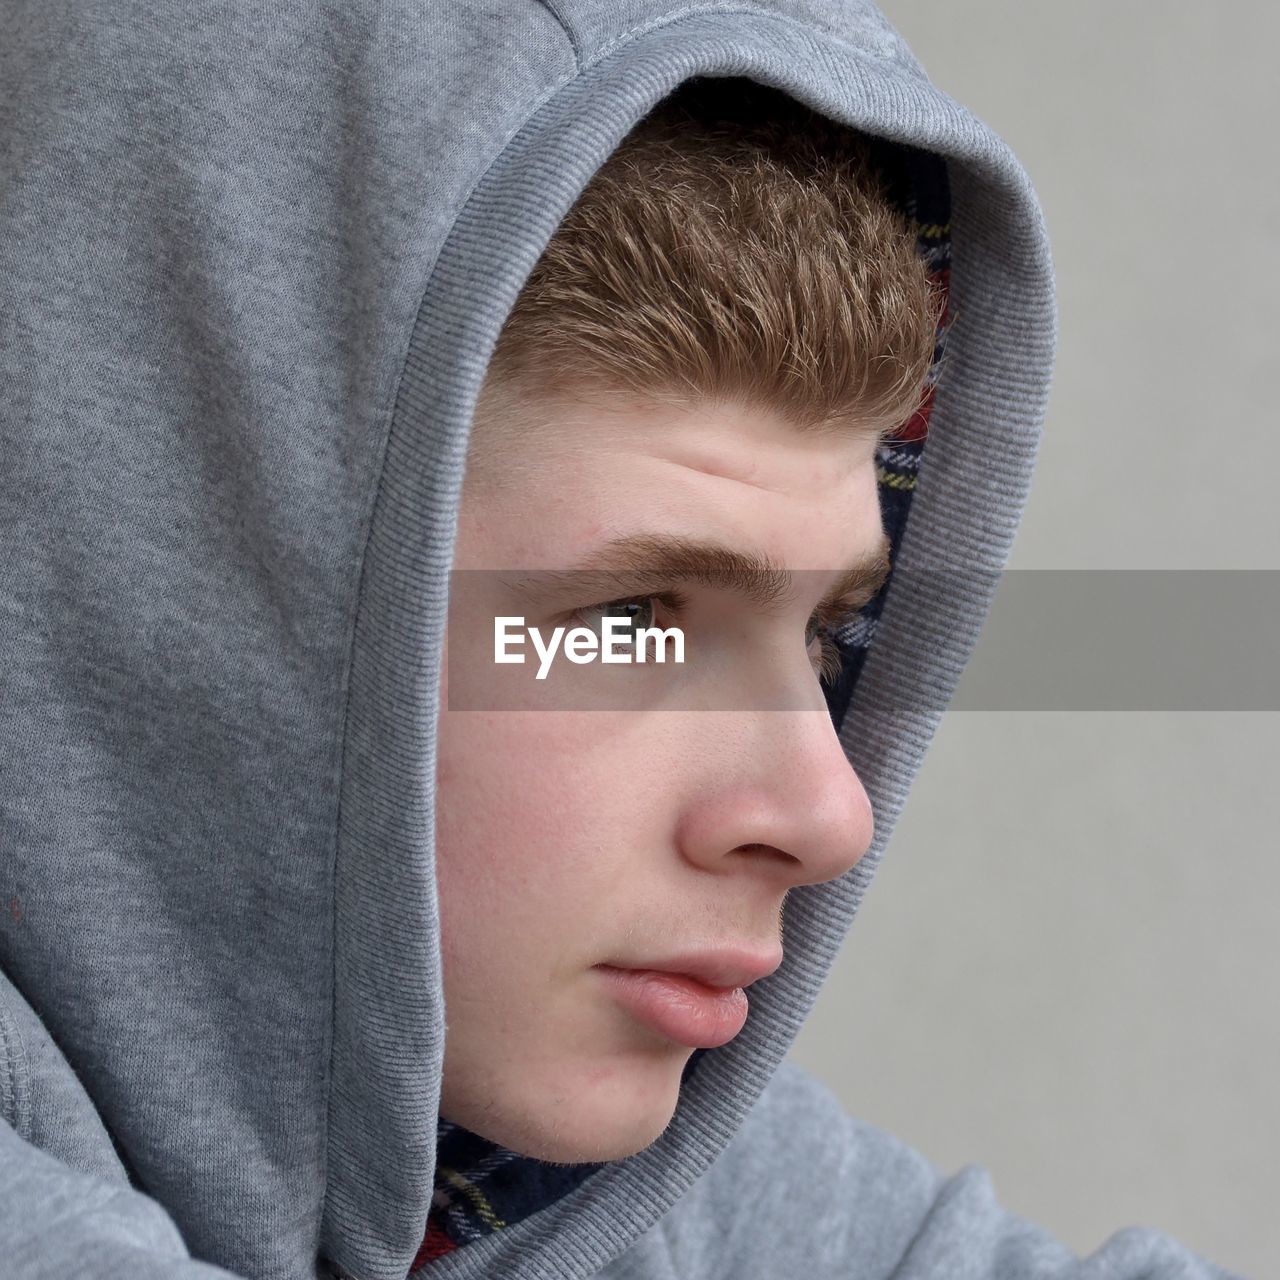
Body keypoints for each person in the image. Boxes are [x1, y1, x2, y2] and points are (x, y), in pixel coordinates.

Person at [0, 4, 1247, 1279]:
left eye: (823, 636)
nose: (828, 814)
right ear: (204, 598)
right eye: (630, 619)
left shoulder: (568, 1192)